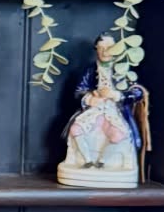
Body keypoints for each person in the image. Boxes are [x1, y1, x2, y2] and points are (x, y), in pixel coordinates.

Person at [57, 34, 149, 190]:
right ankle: (87, 160)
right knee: (75, 129)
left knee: (118, 135)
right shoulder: (91, 70)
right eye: (101, 48)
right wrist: (88, 99)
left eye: (110, 48)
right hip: (96, 110)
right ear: (96, 50)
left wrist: (117, 95)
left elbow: (138, 92)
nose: (105, 52)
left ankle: (103, 162)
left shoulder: (123, 70)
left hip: (115, 111)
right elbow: (79, 91)